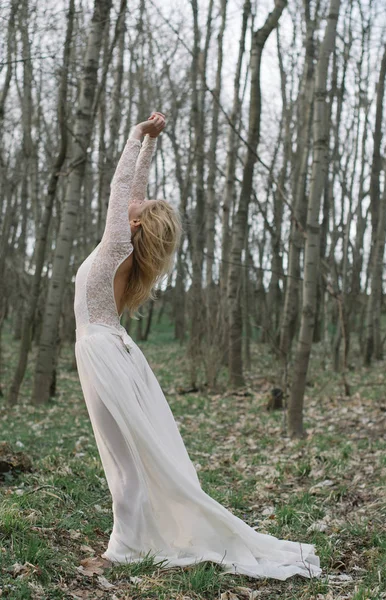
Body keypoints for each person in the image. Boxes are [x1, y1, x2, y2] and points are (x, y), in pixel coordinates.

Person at [73, 111, 322, 580]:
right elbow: (133, 192)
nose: (134, 203)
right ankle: (131, 540)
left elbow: (120, 190)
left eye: (139, 209)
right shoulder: (124, 249)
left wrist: (133, 136)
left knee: (123, 458)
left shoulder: (114, 248)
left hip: (104, 353)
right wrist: (150, 143)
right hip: (111, 352)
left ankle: (124, 549)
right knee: (127, 456)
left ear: (137, 227)